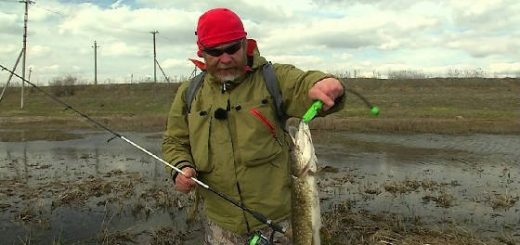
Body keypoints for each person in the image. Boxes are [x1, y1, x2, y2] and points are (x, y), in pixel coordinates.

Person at [162, 7, 345, 244]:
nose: (225, 58)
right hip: (221, 224)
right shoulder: (190, 93)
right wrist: (179, 168)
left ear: (245, 43)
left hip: (280, 223)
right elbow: (174, 141)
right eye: (215, 52)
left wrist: (323, 85)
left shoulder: (273, 77)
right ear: (202, 53)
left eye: (232, 48)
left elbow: (301, 84)